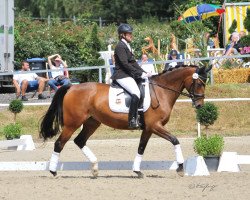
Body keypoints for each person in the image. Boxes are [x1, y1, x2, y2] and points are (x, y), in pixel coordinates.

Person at [111, 24, 151, 128]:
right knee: (136, 92)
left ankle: (141, 116)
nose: (131, 35)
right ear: (123, 35)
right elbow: (125, 64)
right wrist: (139, 73)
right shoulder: (120, 46)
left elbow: (133, 63)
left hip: (128, 74)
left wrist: (144, 72)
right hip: (121, 75)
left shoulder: (127, 46)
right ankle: (132, 120)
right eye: (129, 34)